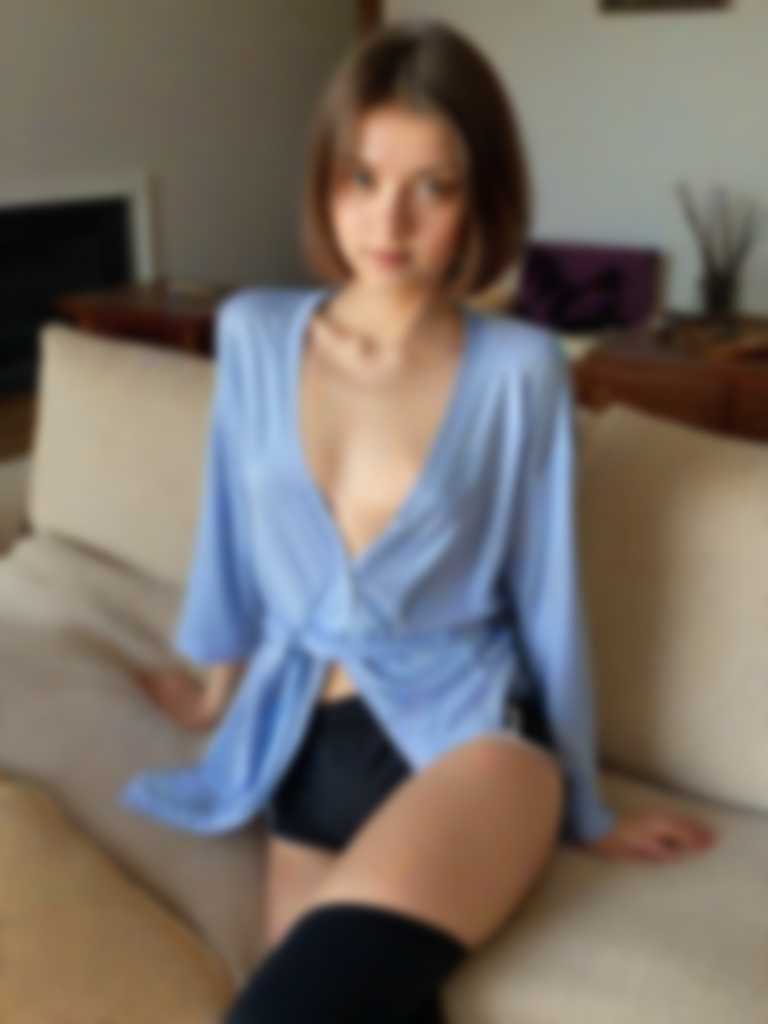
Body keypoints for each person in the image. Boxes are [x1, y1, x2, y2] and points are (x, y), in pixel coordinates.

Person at [123, 17, 717, 1023]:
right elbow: (228, 532)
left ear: (479, 200)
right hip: (303, 747)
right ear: (326, 178)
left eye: (432, 187)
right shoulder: (254, 336)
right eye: (362, 177)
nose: (387, 220)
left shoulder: (519, 371)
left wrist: (585, 801)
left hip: (469, 741)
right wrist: (214, 690)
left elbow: (548, 597)